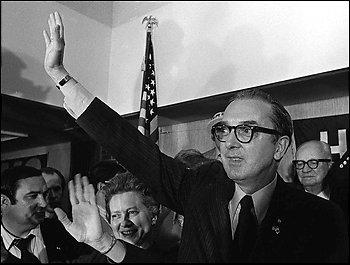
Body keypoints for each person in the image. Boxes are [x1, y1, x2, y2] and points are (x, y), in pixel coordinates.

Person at [43, 11, 348, 262]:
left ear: (280, 146)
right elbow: (130, 145)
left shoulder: (320, 217)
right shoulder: (202, 187)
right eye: (223, 130)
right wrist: (61, 76)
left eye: (245, 130)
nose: (228, 142)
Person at [1, 166, 90, 263]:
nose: (44, 203)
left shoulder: (62, 231)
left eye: (44, 194)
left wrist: (102, 241)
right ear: (4, 202)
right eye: (33, 196)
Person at [294, 140, 348, 223]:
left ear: (329, 164)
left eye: (313, 163)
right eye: (300, 164)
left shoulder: (343, 200)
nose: (305, 170)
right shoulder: (286, 201)